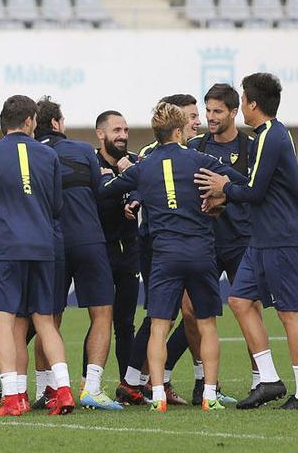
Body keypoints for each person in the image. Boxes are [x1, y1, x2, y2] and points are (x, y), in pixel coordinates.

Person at [100, 102, 247, 412]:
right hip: (200, 253)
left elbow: (108, 190)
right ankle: (209, 394)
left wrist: (104, 176)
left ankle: (158, 396)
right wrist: (217, 197)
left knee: (159, 326)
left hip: (164, 256)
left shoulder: (144, 166)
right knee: (206, 325)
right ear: (179, 131)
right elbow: (240, 181)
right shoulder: (200, 160)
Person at [195, 73, 298, 410]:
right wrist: (227, 181)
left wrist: (223, 188)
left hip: (281, 238)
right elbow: (252, 183)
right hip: (262, 239)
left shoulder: (269, 137)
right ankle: (269, 379)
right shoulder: (271, 134)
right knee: (238, 300)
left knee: (289, 313)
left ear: (251, 104)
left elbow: (253, 191)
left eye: (243, 100)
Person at [0, 94, 73, 417]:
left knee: (6, 323)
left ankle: (14, 397)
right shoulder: (48, 154)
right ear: (30, 121)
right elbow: (57, 206)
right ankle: (64, 391)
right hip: (43, 247)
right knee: (45, 322)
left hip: (6, 248)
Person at [35, 97, 121, 411]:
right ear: (57, 123)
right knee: (101, 313)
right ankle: (92, 389)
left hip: (49, 243)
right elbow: (101, 193)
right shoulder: (84, 150)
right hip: (88, 238)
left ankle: (46, 390)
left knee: (48, 319)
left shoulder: (31, 154)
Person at [117, 94, 201, 406]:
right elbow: (137, 183)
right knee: (163, 314)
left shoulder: (195, 151)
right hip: (157, 244)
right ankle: (137, 381)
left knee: (189, 313)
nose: (197, 122)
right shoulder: (152, 154)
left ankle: (156, 380)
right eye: (191, 116)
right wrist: (134, 199)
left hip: (191, 242)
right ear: (177, 124)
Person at [187, 83, 253, 405]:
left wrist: (224, 199)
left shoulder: (251, 146)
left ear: (233, 112)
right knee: (189, 310)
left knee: (248, 310)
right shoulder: (196, 146)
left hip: (241, 241)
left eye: (217, 111)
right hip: (204, 243)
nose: (210, 118)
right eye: (208, 111)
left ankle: (261, 380)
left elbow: (258, 194)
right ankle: (204, 381)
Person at [93, 111, 140, 392]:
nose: (122, 135)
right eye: (116, 130)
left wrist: (133, 198)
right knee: (100, 319)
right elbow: (95, 197)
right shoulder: (90, 162)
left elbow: (145, 188)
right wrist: (117, 183)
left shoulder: (133, 162)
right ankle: (90, 384)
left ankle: (128, 386)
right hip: (100, 250)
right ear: (101, 134)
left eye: (125, 129)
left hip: (130, 249)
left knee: (125, 323)